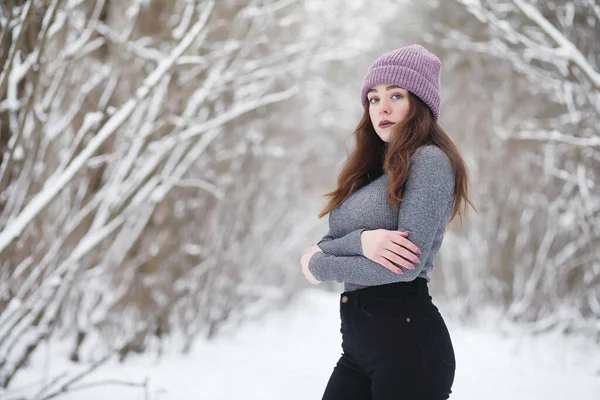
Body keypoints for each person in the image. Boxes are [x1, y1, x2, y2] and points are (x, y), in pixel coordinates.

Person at [300, 44, 475, 400]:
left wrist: (319, 264)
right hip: (359, 349)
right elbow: (332, 238)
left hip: (407, 347)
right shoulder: (372, 174)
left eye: (396, 95)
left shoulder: (429, 161)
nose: (383, 107)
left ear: (420, 104)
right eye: (374, 98)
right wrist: (362, 241)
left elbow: (403, 268)